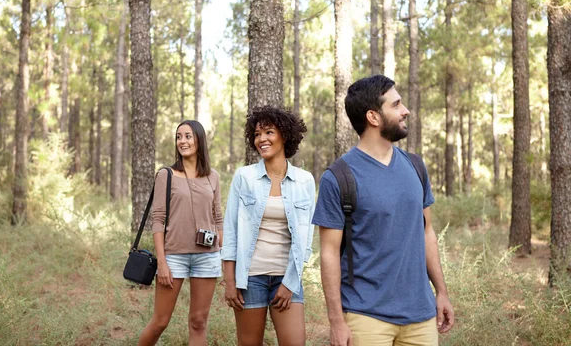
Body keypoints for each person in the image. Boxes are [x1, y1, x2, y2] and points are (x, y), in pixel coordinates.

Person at [313, 75, 454, 346]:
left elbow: (427, 233)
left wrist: (442, 292)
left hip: (421, 316)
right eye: (396, 104)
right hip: (366, 317)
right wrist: (336, 321)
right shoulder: (338, 177)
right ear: (373, 117)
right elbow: (329, 253)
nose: (406, 110)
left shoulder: (415, 166)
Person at [221, 106, 316, 346]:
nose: (261, 139)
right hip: (250, 279)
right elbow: (231, 232)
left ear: (284, 135)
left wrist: (289, 283)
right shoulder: (244, 177)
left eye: (269, 132)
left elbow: (305, 240)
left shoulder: (304, 181)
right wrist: (230, 282)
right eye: (257, 134)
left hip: (287, 278)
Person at [138, 120, 223, 346]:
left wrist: (223, 255)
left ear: (199, 139)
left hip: (207, 256)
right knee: (160, 322)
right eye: (178, 137)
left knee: (198, 322)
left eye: (187, 136)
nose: (182, 141)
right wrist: (162, 262)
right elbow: (158, 220)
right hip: (174, 256)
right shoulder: (166, 175)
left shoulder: (212, 176)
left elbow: (218, 217)